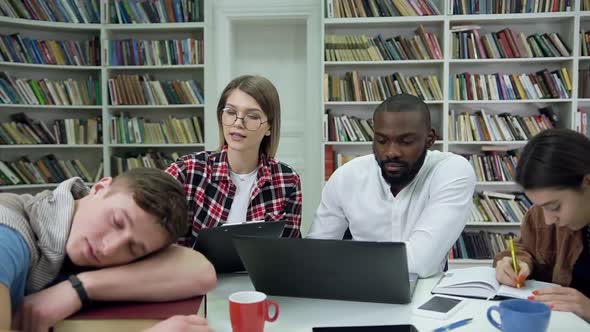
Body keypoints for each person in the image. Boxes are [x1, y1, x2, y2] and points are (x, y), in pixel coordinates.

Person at [0, 168, 216, 331]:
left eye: (133, 249)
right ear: (100, 187)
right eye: (117, 221)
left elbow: (201, 272)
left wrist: (79, 288)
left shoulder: (77, 222)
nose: (109, 248)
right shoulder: (7, 235)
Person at [307, 93, 476, 277]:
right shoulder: (347, 176)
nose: (391, 152)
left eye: (406, 142)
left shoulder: (451, 170)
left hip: (424, 294)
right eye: (382, 140)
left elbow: (421, 263)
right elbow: (314, 253)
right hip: (358, 291)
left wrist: (344, 257)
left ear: (430, 139)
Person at [166, 75, 302, 244]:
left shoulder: (287, 180)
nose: (238, 123)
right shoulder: (186, 171)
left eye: (252, 116)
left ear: (269, 127)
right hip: (194, 270)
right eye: (230, 112)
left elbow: (288, 251)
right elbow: (159, 242)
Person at [494, 128, 590, 321]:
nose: (547, 220)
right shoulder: (540, 213)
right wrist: (518, 263)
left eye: (555, 206)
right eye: (539, 206)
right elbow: (526, 248)